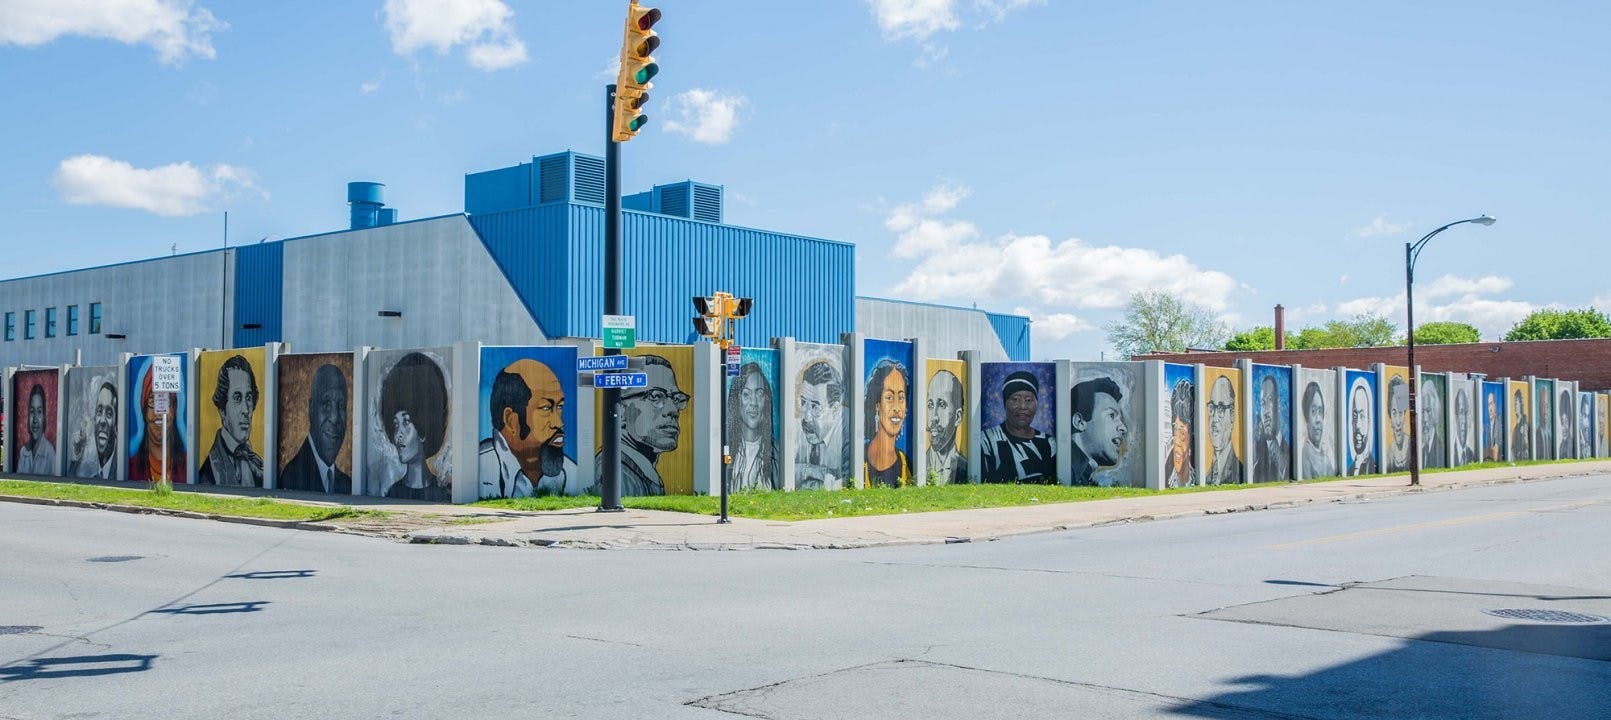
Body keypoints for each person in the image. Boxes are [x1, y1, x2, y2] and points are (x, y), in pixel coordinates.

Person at [479, 359, 578, 498]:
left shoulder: (570, 470)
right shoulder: (479, 467)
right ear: (511, 420)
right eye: (546, 408)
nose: (559, 422)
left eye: (559, 407)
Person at [593, 354, 686, 496]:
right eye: (655, 396)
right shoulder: (618, 473)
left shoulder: (638, 470)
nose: (673, 410)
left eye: (676, 399)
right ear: (622, 409)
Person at [380, 352, 451, 502]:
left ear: (423, 431)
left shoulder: (442, 494)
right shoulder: (392, 493)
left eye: (406, 423)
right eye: (395, 424)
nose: (398, 434)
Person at [281, 364, 353, 494]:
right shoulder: (293, 476)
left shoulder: (347, 484)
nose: (335, 418)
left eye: (341, 405)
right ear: (311, 409)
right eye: (326, 404)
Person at [198, 355, 264, 487]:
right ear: (222, 409)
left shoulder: (257, 463)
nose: (246, 410)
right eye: (237, 398)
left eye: (249, 398)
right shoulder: (209, 472)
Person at [981, 370, 1056, 484]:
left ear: (1036, 404)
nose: (1022, 406)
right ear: (1005, 403)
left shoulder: (1050, 443)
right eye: (1015, 399)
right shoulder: (987, 441)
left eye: (1028, 400)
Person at [794, 359, 848, 490]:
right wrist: (810, 471)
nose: (807, 417)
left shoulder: (848, 433)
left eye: (815, 407)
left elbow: (847, 482)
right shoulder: (795, 430)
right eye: (803, 403)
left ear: (835, 409)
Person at [726, 362, 779, 491]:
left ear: (766, 400)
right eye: (746, 394)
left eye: (759, 393)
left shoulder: (776, 452)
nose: (754, 402)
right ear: (736, 401)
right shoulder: (725, 449)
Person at [128, 369, 186, 483]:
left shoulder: (187, 465)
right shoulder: (132, 467)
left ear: (174, 410)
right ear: (144, 411)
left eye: (166, 401)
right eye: (152, 402)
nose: (159, 412)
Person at [1067, 376, 1125, 486]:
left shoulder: (1080, 474)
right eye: (1112, 415)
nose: (1123, 428)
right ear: (1080, 422)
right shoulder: (1068, 472)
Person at [863, 359, 911, 488]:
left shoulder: (905, 464)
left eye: (901, 398)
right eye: (889, 398)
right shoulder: (861, 457)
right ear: (877, 405)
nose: (896, 408)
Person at [925, 369, 967, 485]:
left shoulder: (965, 468)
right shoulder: (919, 465)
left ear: (958, 417)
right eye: (930, 405)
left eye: (942, 405)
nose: (934, 417)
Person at [70, 379, 118, 479]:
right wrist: (76, 456)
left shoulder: (118, 469)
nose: (102, 421)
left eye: (109, 413)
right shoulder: (90, 466)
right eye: (99, 411)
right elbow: (70, 485)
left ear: (116, 426)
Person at [1204, 375, 1243, 485]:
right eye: (1212, 408)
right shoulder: (1207, 477)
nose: (1215, 418)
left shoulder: (1239, 470)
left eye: (1221, 409)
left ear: (1231, 415)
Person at [1252, 375, 1289, 482]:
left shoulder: (1289, 450)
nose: (1266, 411)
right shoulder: (1257, 456)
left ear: (1278, 405)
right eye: (1263, 403)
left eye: (1270, 400)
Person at [16, 384, 57, 475]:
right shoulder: (23, 452)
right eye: (32, 412)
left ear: (44, 417)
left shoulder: (50, 454)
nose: (35, 419)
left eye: (39, 412)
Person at [1300, 381, 1336, 479]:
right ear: (1306, 418)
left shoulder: (1324, 454)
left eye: (1320, 412)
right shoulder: (1306, 454)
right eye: (1313, 411)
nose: (1318, 420)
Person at [1164, 378, 1195, 488]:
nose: (1176, 441)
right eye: (1175, 430)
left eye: (1182, 434)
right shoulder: (1165, 472)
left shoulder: (1197, 470)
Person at [1348, 379, 1376, 476]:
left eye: (1362, 416)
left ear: (1369, 421)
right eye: (1355, 416)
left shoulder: (1372, 465)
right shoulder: (1350, 470)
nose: (1358, 426)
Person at [1384, 375, 1409, 473]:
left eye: (1400, 412)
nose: (1398, 422)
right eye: (1394, 413)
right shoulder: (1388, 454)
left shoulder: (1412, 447)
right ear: (1390, 416)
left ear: (1404, 414)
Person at [1420, 380, 1445, 469]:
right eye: (1422, 411)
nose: (1425, 419)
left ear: (1435, 412)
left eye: (1428, 411)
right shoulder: (1420, 450)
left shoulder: (1442, 449)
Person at [1451, 387, 1474, 466]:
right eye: (1461, 412)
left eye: (1466, 413)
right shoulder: (1450, 452)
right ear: (1456, 416)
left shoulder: (1472, 455)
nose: (1464, 421)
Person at [1482, 390, 1504, 462]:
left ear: (1495, 405)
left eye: (1491, 404)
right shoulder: (1488, 425)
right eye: (1488, 405)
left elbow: (1498, 446)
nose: (1490, 408)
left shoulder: (1499, 421)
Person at [1511, 388, 1531, 461]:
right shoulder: (1516, 425)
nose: (1515, 406)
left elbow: (1525, 442)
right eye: (1514, 403)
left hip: (1521, 457)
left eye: (1516, 403)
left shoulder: (1524, 423)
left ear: (1521, 404)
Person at [1535, 389, 1554, 460]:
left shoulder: (1549, 436)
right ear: (1539, 408)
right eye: (1543, 406)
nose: (1545, 411)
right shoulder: (1536, 434)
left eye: (1547, 406)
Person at [1557, 390, 1574, 460]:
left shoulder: (1570, 442)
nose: (1563, 427)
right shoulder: (1561, 445)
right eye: (1562, 422)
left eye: (1566, 422)